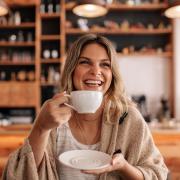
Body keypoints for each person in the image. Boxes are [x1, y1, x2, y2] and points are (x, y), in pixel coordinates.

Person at [2, 34, 168, 180]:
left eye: (105, 64)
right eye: (85, 62)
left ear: (112, 74)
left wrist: (123, 166)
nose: (96, 71)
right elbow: (19, 175)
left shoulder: (127, 118)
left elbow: (157, 174)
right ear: (72, 70)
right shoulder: (53, 118)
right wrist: (41, 127)